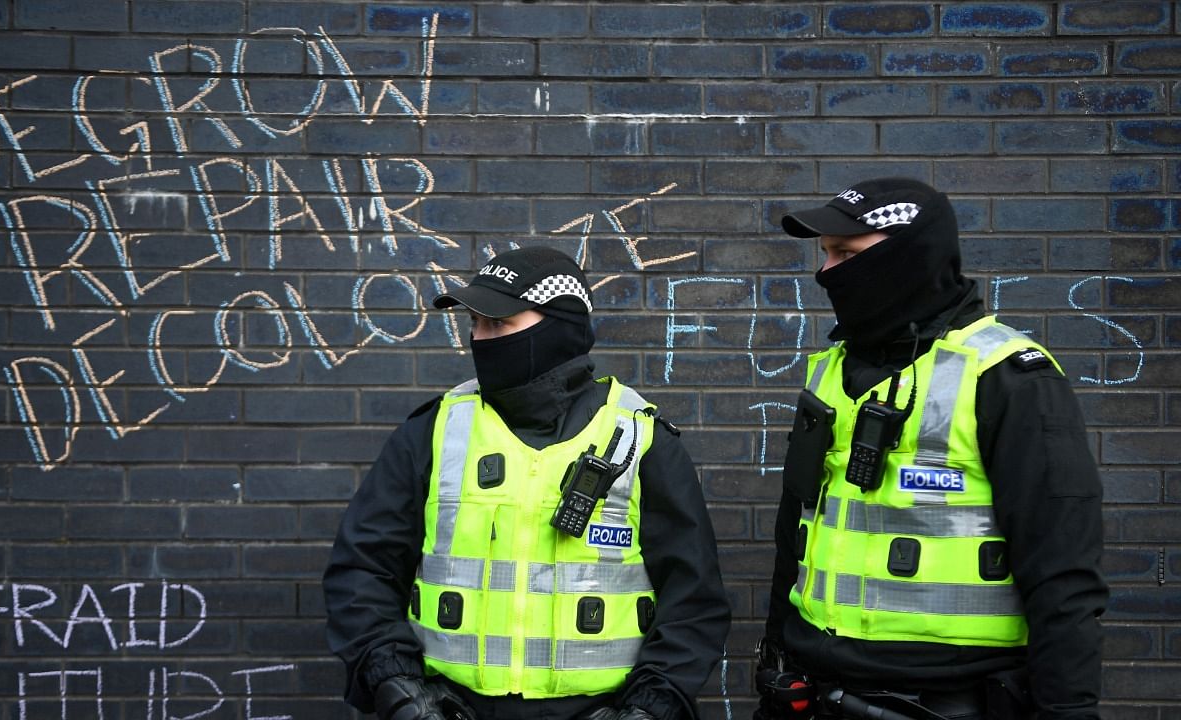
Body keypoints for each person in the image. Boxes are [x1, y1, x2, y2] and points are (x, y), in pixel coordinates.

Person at [323, 245, 731, 720]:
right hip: (451, 709)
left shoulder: (641, 441)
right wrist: (397, 687)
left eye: (498, 324)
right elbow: (361, 570)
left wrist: (649, 709)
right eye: (475, 324)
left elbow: (693, 601)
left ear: (559, 328)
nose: (481, 338)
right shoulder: (435, 433)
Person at [758, 178, 1107, 720]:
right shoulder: (830, 373)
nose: (827, 273)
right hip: (817, 694)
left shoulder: (1006, 378)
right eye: (825, 254)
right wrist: (775, 668)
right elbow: (795, 539)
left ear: (907, 258)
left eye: (846, 253)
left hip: (948, 704)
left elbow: (1062, 576)